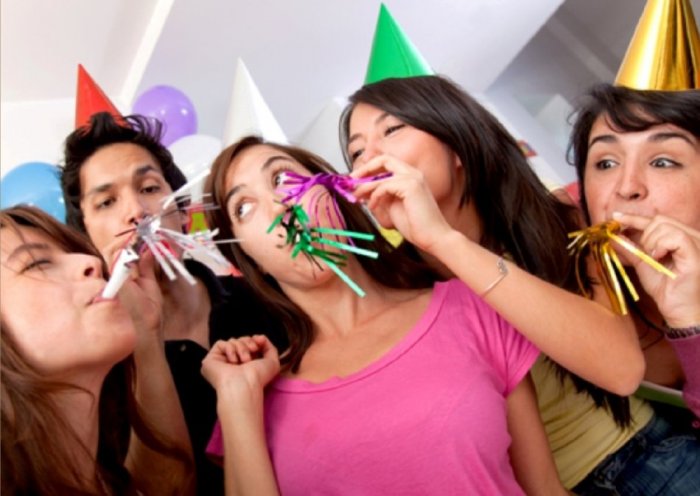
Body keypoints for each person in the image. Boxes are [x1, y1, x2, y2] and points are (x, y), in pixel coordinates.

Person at [339, 75, 692, 492]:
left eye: (392, 130)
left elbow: (621, 370)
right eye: (356, 151)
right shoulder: (392, 288)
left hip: (654, 461)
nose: (369, 158)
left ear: (456, 142)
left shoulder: (555, 218)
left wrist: (444, 241)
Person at [201, 136, 566, 495]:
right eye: (243, 208)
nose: (280, 206)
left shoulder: (468, 307)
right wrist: (235, 402)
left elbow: (546, 489)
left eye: (281, 178)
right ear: (251, 262)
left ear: (334, 190)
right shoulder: (254, 395)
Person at [60, 112, 287, 495]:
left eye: (149, 188)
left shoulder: (263, 296)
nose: (137, 212)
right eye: (107, 202)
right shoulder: (97, 368)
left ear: (182, 212)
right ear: (86, 240)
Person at [561, 83, 700, 494]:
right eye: (605, 163)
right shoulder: (569, 289)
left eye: (662, 161)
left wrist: (690, 319)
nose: (626, 187)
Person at [0, 205, 190, 494]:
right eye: (38, 263)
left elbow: (172, 487)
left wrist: (146, 330)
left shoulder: (105, 479)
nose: (91, 260)